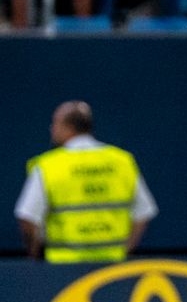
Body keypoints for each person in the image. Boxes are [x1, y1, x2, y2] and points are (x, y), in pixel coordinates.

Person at [15, 100, 156, 263]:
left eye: (55, 123)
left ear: (67, 127)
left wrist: (35, 255)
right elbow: (144, 212)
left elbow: (27, 218)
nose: (52, 128)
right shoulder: (122, 162)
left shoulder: (48, 166)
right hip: (112, 264)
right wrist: (124, 250)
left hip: (61, 268)